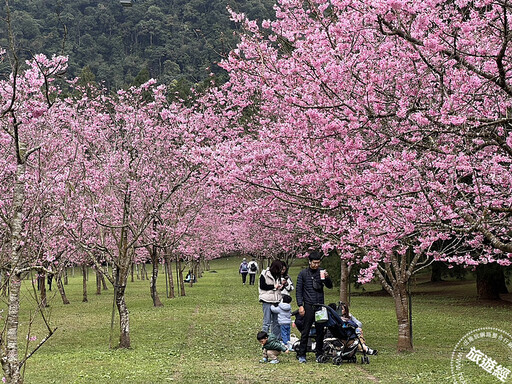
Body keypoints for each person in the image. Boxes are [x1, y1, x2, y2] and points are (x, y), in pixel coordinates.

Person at [295, 250, 333, 363]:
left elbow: (330, 286)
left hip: (320, 305)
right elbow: (298, 290)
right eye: (314, 263)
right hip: (308, 305)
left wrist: (327, 278)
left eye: (318, 263)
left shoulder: (321, 272)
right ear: (309, 262)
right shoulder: (303, 274)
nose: (316, 265)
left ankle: (319, 353)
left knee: (320, 331)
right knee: (305, 331)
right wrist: (300, 305)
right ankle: (302, 354)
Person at [259, 259, 285, 337]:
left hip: (276, 300)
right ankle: (264, 338)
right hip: (266, 300)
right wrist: (274, 287)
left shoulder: (278, 275)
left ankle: (276, 338)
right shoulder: (265, 274)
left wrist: (282, 286)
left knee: (276, 321)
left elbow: (279, 288)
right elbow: (262, 286)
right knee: (267, 321)